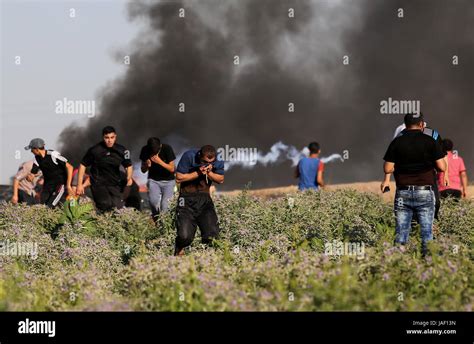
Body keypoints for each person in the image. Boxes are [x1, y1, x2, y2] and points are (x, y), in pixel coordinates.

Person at [381, 113, 446, 256]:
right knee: (427, 234)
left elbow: (387, 168)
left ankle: (398, 264)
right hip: (425, 191)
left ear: (405, 125)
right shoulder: (430, 140)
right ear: (422, 124)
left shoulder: (397, 142)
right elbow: (442, 166)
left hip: (403, 192)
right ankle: (427, 265)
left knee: (401, 234)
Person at [387, 115, 448, 220]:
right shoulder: (400, 134)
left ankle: (430, 224)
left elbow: (442, 157)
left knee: (435, 203)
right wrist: (386, 179)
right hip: (405, 179)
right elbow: (391, 159)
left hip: (426, 178)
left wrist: (445, 174)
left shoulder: (432, 135)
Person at [174, 145, 224, 256]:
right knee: (184, 236)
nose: (208, 164)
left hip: (205, 198)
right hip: (185, 199)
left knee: (212, 235)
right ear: (200, 156)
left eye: (211, 162)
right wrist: (198, 172)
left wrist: (210, 173)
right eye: (205, 162)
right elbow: (178, 178)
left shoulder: (218, 159)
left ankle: (204, 259)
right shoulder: (189, 156)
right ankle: (179, 248)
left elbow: (220, 179)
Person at [76, 126, 133, 212]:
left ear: (115, 137)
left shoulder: (122, 150)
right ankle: (97, 216)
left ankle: (108, 222)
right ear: (103, 137)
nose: (109, 140)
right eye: (107, 138)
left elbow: (128, 165)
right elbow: (82, 165)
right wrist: (79, 185)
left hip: (114, 184)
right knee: (105, 204)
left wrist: (128, 177)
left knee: (118, 208)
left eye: (112, 137)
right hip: (98, 184)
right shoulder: (95, 150)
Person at [25, 138, 74, 208]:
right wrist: (29, 177)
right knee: (43, 206)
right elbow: (32, 174)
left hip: (60, 185)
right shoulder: (37, 159)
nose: (31, 151)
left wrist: (68, 185)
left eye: (31, 149)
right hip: (47, 186)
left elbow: (70, 167)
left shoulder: (53, 155)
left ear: (36, 149)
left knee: (50, 206)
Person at [139, 137, 176, 221]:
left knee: (165, 206)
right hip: (153, 180)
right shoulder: (145, 150)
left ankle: (164, 224)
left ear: (160, 146)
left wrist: (159, 161)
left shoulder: (167, 148)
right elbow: (143, 170)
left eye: (156, 149)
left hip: (168, 181)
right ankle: (157, 220)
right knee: (153, 202)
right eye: (152, 150)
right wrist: (146, 165)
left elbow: (172, 168)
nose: (154, 151)